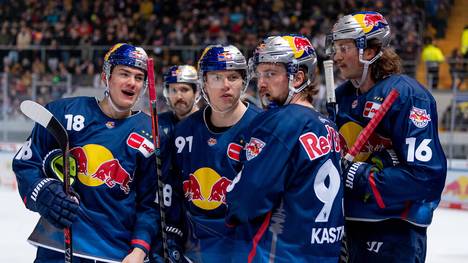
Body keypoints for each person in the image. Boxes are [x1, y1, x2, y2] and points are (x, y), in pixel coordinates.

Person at [12, 43, 159, 262]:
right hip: (58, 249)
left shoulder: (151, 134)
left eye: (139, 78)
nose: (132, 82)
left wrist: (139, 250)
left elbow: (151, 204)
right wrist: (43, 193)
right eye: (124, 74)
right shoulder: (63, 113)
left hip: (115, 254)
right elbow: (26, 163)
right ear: (105, 77)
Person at [327, 11, 447, 262]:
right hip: (346, 229)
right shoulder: (342, 97)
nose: (336, 57)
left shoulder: (408, 96)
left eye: (344, 48)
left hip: (394, 233)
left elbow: (425, 177)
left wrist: (362, 176)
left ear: (369, 52)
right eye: (335, 48)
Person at [225, 35, 344, 262]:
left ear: (298, 78)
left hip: (277, 253)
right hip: (322, 253)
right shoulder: (327, 126)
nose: (261, 83)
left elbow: (248, 199)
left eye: (271, 74)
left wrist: (232, 202)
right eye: (259, 74)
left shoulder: (280, 122)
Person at [171, 44, 261, 262]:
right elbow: (174, 196)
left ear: (244, 81)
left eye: (232, 77)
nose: (225, 86)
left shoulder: (263, 128)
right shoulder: (184, 130)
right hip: (194, 253)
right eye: (216, 77)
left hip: (246, 252)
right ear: (204, 83)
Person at [150, 65, 200, 263]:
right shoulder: (157, 123)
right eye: (174, 90)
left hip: (197, 219)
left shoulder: (207, 123)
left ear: (196, 92)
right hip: (164, 217)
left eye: (185, 89)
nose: (179, 95)